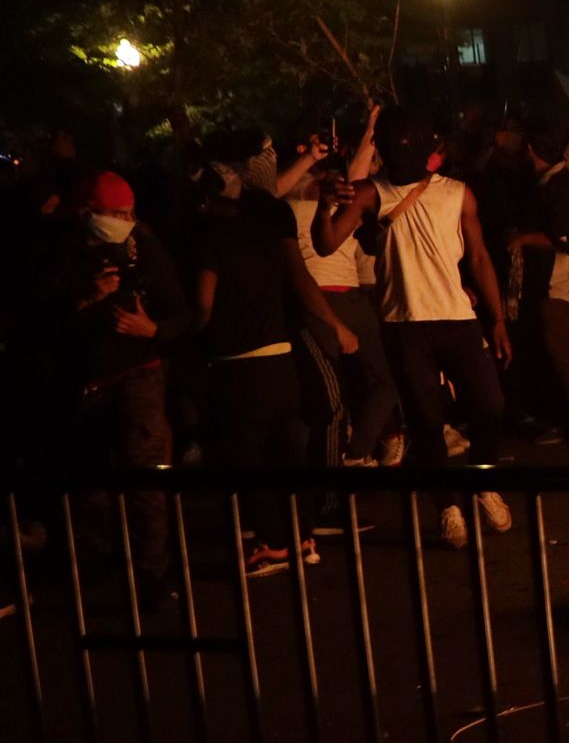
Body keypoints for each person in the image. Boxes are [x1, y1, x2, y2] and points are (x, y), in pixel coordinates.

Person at [311, 106, 515, 548]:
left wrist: (497, 319)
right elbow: (326, 244)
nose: (401, 150)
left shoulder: (458, 192)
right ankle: (447, 507)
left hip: (457, 318)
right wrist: (327, 202)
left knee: (491, 406)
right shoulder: (370, 192)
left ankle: (483, 483)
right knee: (426, 422)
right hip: (404, 324)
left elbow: (479, 258)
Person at [191, 129, 362, 578]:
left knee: (251, 455)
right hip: (281, 349)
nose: (273, 158)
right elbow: (297, 274)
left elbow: (204, 306)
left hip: (242, 359)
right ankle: (300, 533)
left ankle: (275, 541)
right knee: (288, 443)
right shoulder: (269, 212)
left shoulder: (217, 230)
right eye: (264, 153)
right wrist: (334, 323)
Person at [56, 171, 191, 604]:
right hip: (83, 382)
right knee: (90, 483)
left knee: (145, 473)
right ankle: (103, 567)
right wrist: (84, 300)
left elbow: (181, 315)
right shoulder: (59, 254)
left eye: (131, 213)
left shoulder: (143, 249)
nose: (126, 221)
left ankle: (152, 573)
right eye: (117, 214)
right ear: (88, 214)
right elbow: (34, 320)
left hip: (140, 373)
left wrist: (153, 329)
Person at [287, 118, 404, 474]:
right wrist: (311, 161)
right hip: (319, 298)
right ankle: (337, 464)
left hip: (352, 296)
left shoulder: (343, 189)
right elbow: (293, 188)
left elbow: (358, 167)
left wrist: (370, 126)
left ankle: (355, 451)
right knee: (332, 391)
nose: (328, 147)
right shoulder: (296, 189)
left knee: (383, 379)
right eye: (318, 143)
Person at [509, 121, 569, 447]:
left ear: (531, 150)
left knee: (563, 352)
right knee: (558, 352)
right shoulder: (551, 182)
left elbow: (566, 238)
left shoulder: (559, 187)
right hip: (556, 282)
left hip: (562, 284)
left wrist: (523, 238)